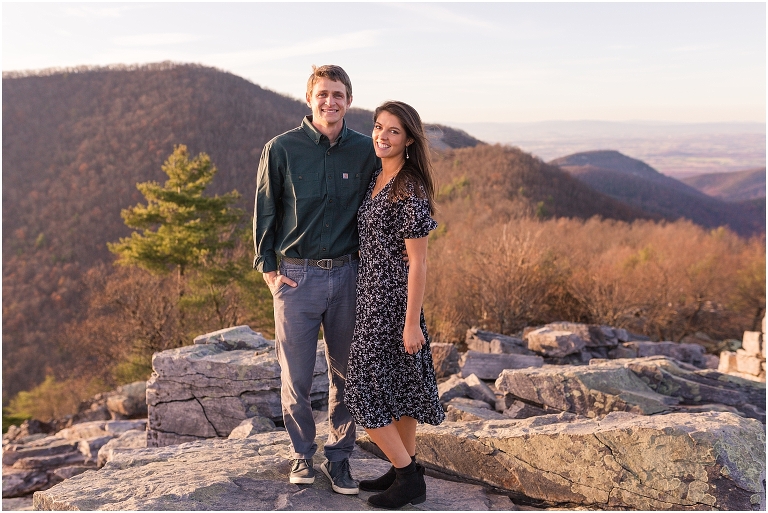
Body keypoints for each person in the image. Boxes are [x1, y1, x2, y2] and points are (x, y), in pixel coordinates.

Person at [253, 65, 378, 495]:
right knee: (297, 376)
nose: (330, 101)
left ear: (349, 100)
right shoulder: (281, 149)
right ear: (309, 99)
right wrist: (269, 271)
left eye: (338, 94)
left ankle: (340, 458)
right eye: (323, 94)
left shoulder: (365, 150)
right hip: (296, 278)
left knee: (347, 375)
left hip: (348, 276)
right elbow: (265, 212)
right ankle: (302, 454)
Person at [344, 101, 445, 509]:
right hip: (371, 298)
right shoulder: (378, 178)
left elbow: (419, 262)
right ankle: (405, 466)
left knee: (361, 389)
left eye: (394, 131)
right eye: (378, 127)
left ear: (409, 140)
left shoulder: (409, 188)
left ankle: (407, 480)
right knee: (401, 387)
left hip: (393, 306)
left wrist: (411, 324)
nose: (382, 136)